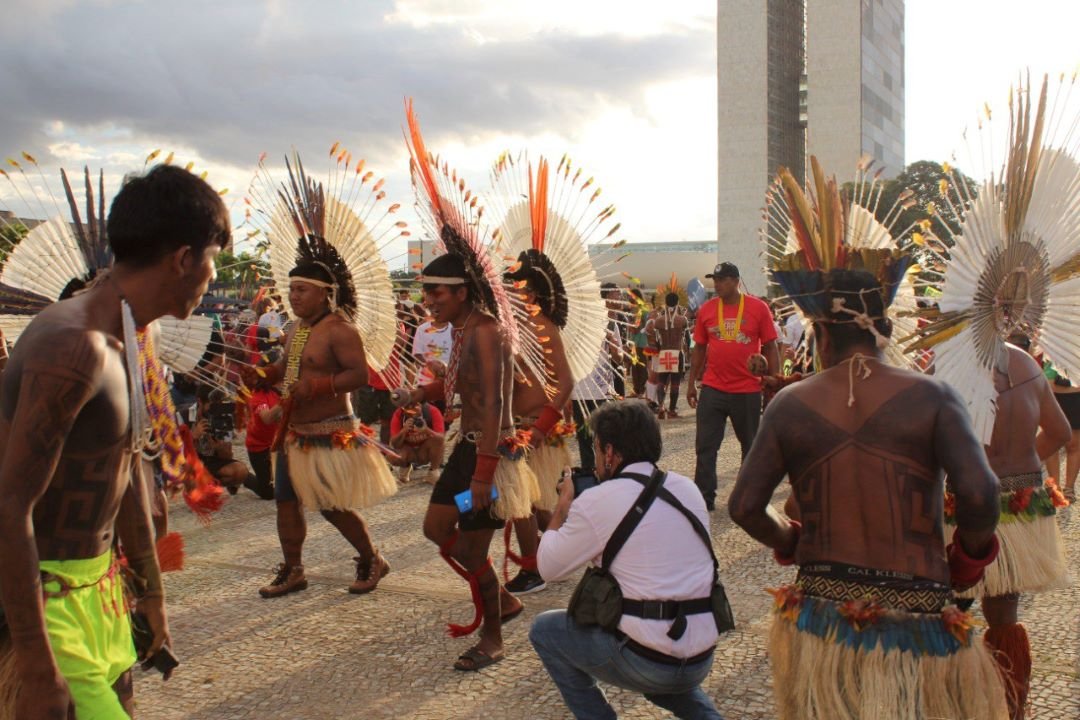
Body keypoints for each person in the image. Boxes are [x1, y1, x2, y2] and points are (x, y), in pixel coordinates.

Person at [0, 164, 230, 718]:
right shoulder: (74, 346)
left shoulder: (127, 334)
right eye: (213, 259)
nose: (212, 278)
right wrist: (35, 662)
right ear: (183, 259)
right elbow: (8, 507)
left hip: (102, 595)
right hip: (51, 611)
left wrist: (149, 594)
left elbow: (125, 469)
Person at [729, 268, 1008, 720]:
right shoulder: (935, 396)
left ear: (819, 333)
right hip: (919, 613)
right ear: (888, 328)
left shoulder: (789, 404)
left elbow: (744, 507)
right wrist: (964, 564)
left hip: (822, 618)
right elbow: (980, 492)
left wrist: (792, 543)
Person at [530, 400, 724, 720]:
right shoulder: (686, 489)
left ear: (609, 452)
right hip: (701, 654)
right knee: (658, 648)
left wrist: (563, 506)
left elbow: (547, 567)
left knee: (545, 630)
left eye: (594, 449)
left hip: (650, 661)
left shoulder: (596, 501)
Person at [394, 253, 537, 671]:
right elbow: (465, 386)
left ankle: (493, 638)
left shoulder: (487, 331)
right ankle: (502, 599)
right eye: (425, 290)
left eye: (435, 290)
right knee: (436, 527)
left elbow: (494, 400)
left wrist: (484, 471)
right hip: (468, 450)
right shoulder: (463, 329)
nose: (428, 299)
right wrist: (420, 394)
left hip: (489, 456)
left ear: (461, 291)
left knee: (474, 549)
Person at [255, 239, 398, 599]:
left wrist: (317, 387)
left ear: (324, 294)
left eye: (301, 289)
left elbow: (359, 376)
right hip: (295, 432)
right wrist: (263, 375)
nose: (293, 296)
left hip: (329, 431)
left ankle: (372, 558)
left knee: (331, 506)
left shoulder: (339, 329)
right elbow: (287, 368)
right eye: (290, 290)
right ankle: (293, 569)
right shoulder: (297, 329)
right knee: (285, 501)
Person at [503, 249, 575, 596]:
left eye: (512, 288)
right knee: (535, 505)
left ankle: (534, 569)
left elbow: (566, 383)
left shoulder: (543, 328)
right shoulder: (512, 329)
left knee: (522, 502)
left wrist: (540, 428)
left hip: (534, 431)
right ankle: (568, 553)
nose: (505, 294)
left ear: (529, 294)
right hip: (515, 426)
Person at [686, 262, 778, 510]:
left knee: (750, 447)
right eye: (714, 279)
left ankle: (748, 498)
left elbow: (770, 345)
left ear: (736, 281)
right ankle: (704, 498)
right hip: (713, 388)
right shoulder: (707, 310)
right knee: (705, 446)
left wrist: (774, 379)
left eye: (722, 279)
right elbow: (700, 348)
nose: (716, 284)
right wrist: (692, 383)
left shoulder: (758, 308)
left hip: (747, 389)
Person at [646, 291, 689, 419]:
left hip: (664, 352)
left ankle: (660, 407)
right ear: (677, 302)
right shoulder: (682, 319)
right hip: (677, 351)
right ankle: (671, 411)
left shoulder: (658, 320)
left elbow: (651, 334)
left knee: (661, 381)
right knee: (675, 382)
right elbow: (686, 337)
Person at [387, 399, 445, 484]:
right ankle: (405, 466)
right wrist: (404, 430)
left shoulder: (432, 411)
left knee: (437, 441)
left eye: (414, 406)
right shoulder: (399, 414)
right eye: (408, 407)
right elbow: (394, 443)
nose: (411, 409)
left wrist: (427, 430)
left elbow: (441, 439)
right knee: (391, 456)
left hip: (425, 451)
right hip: (408, 451)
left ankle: (433, 471)